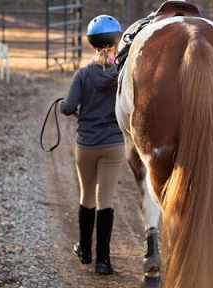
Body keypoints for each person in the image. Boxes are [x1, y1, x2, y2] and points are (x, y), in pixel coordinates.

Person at [60, 15, 124, 275]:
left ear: (92, 45)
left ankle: (85, 251)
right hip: (114, 144)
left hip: (86, 144)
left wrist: (66, 102)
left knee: (87, 196)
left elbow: (67, 108)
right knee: (106, 199)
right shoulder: (121, 73)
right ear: (116, 44)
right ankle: (103, 261)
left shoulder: (83, 74)